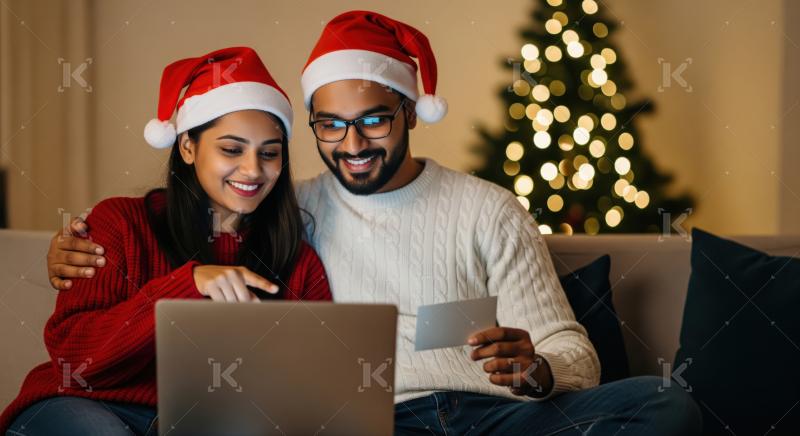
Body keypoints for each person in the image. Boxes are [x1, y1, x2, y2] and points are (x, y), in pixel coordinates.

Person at [43, 11, 701, 435]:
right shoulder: (288, 214)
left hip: (505, 419)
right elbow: (187, 258)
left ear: (409, 112)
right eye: (328, 124)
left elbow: (573, 352)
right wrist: (72, 251)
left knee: (660, 404)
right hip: (380, 423)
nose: (351, 143)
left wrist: (539, 372)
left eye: (373, 120)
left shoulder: (487, 208)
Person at [1, 46, 331, 435]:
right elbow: (74, 359)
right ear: (188, 146)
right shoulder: (119, 222)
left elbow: (312, 386)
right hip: (83, 404)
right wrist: (184, 287)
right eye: (231, 149)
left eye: (270, 153)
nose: (252, 169)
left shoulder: (298, 260)